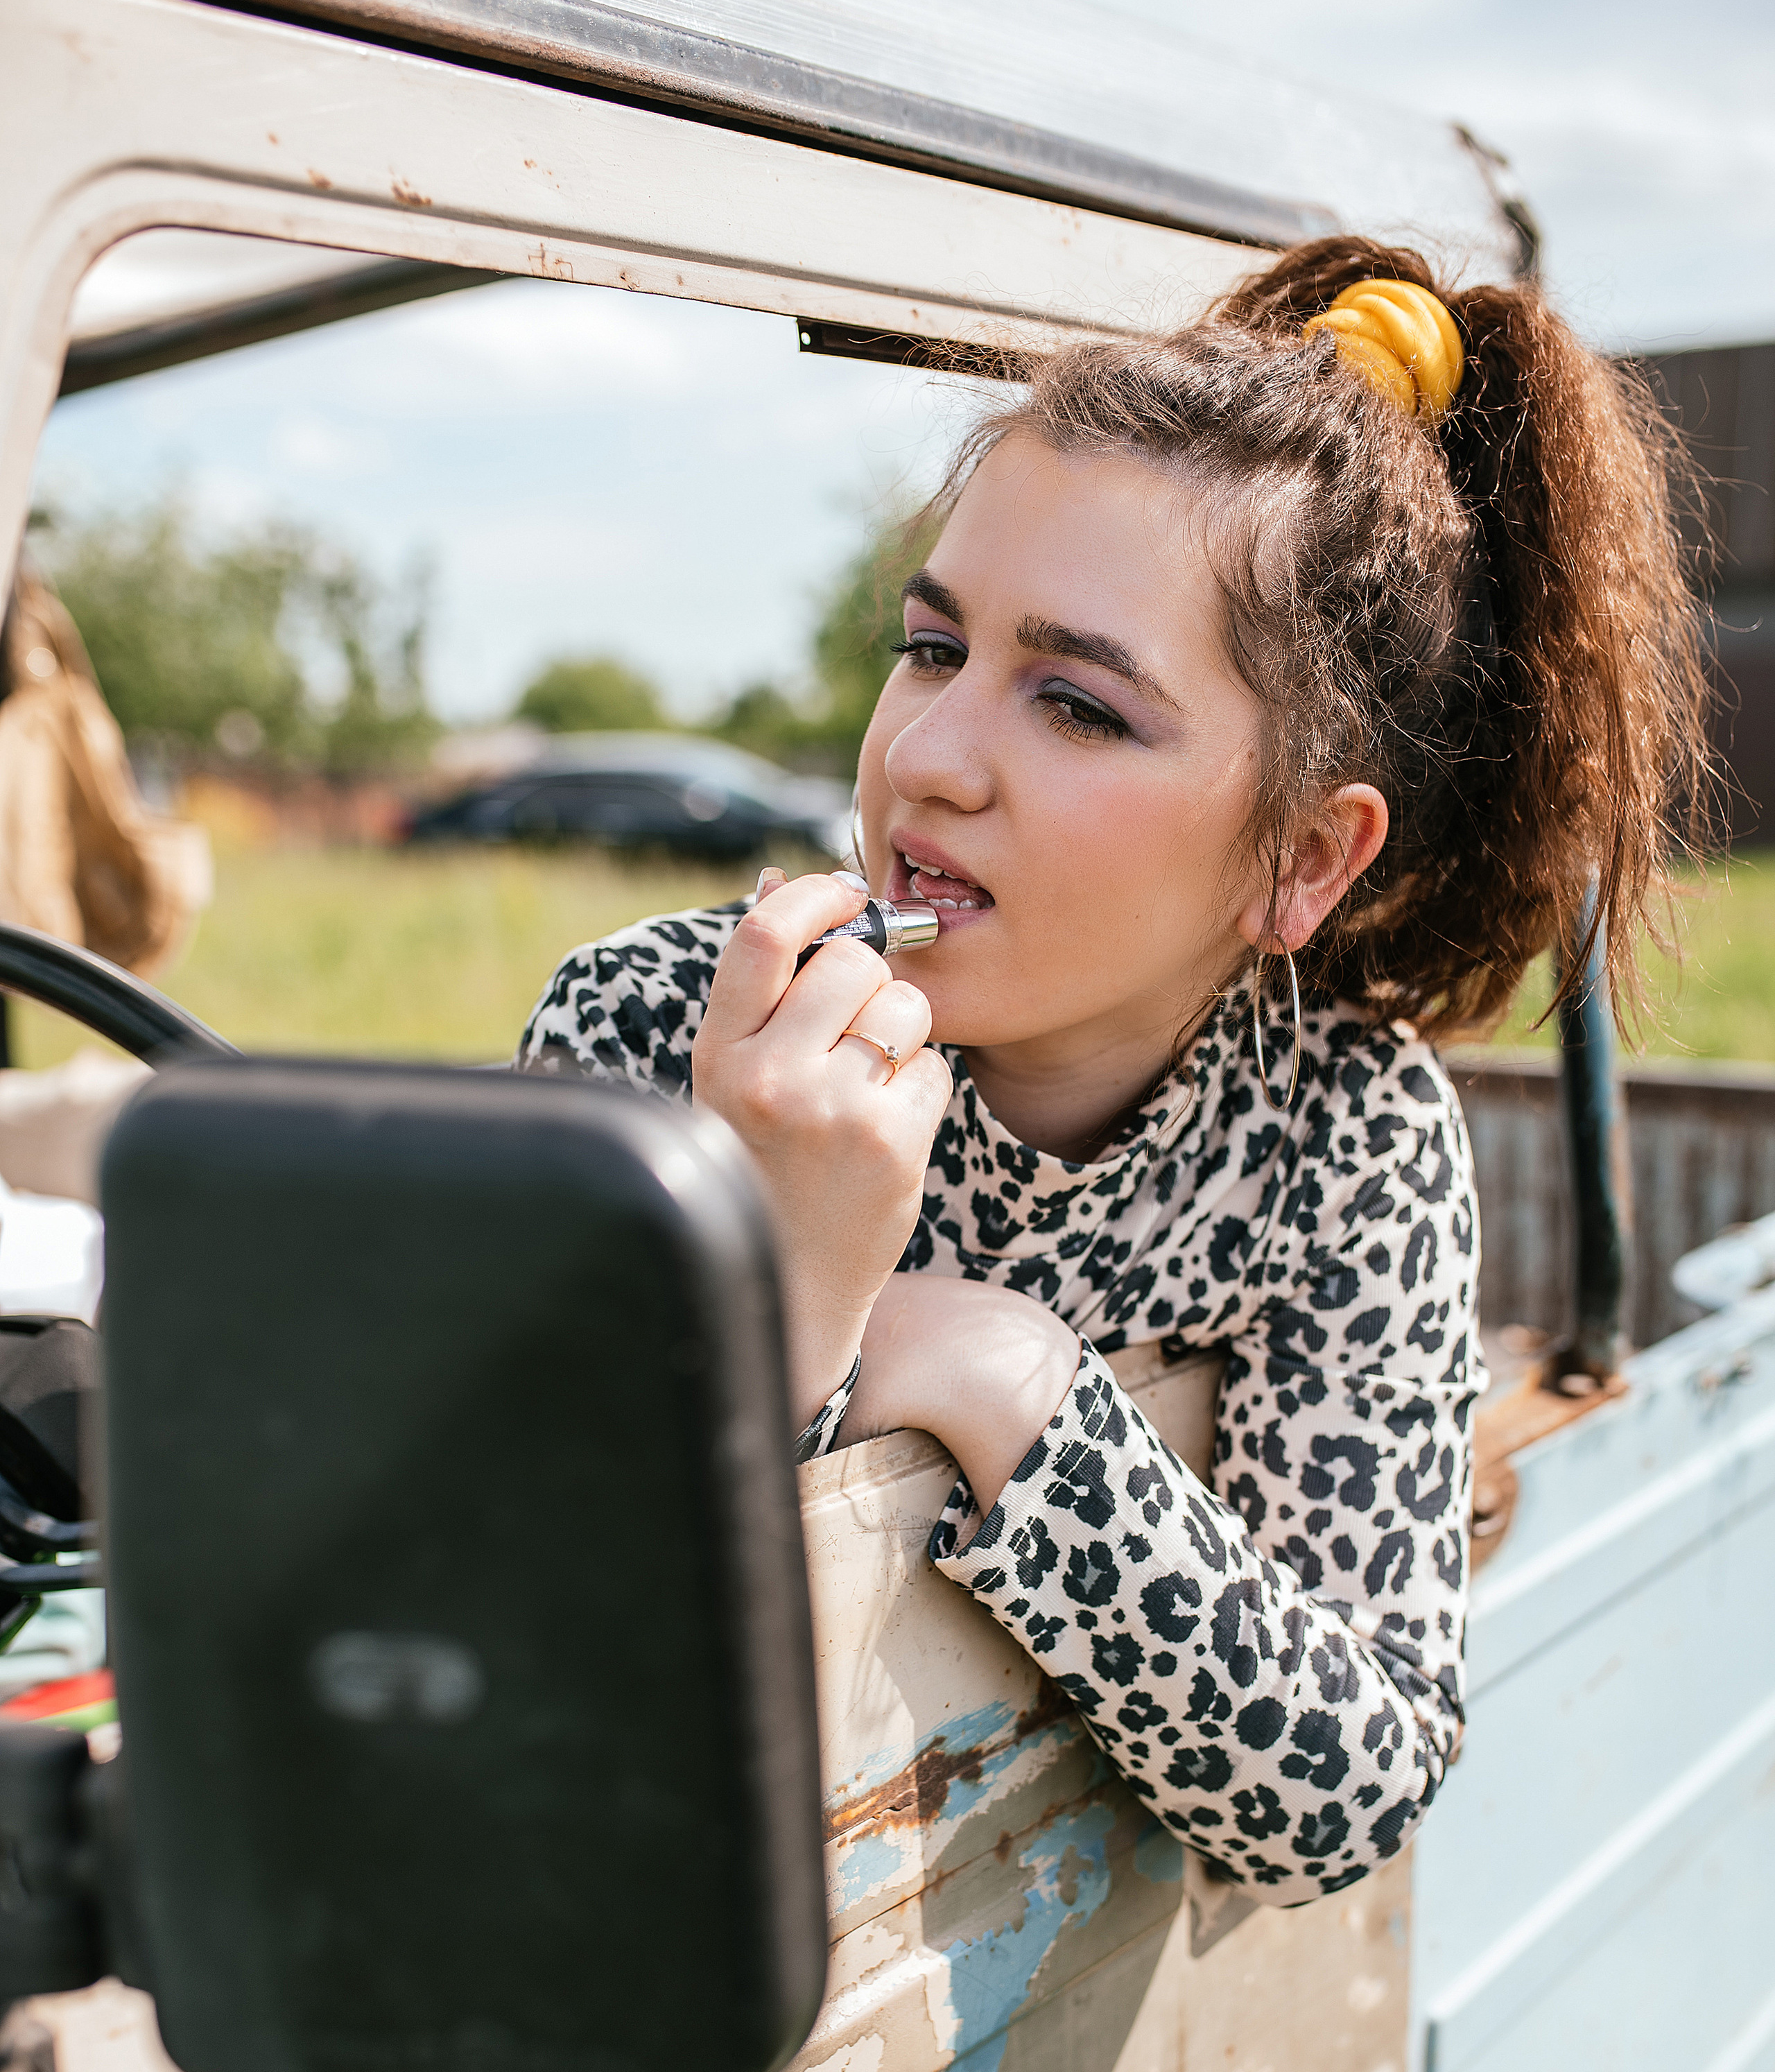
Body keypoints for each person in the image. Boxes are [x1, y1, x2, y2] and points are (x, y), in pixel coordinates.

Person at [521, 238, 1712, 1901]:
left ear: (1299, 859)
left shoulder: (1338, 1148)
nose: (925, 759)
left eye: (1075, 707)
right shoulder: (656, 1035)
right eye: (930, 649)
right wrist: (786, 1300)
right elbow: (527, 1690)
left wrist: (1015, 1385)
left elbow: (1341, 1796)